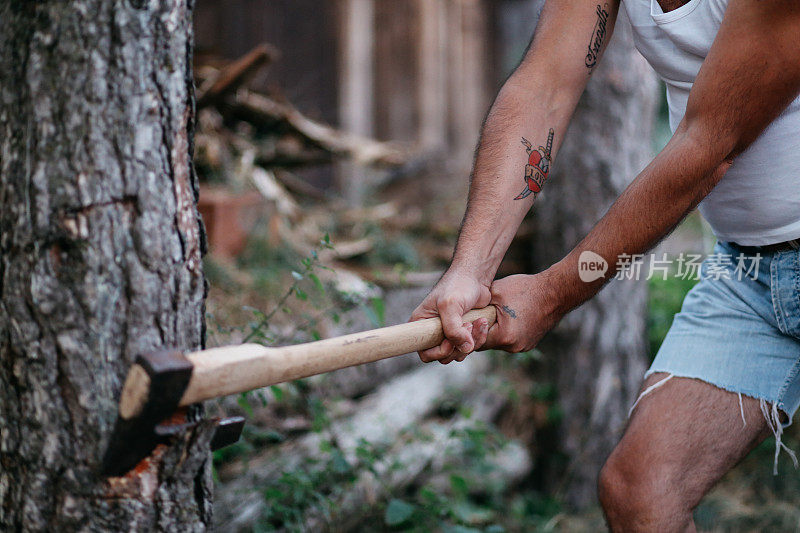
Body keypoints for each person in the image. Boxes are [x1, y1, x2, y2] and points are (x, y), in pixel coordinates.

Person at [410, 0, 800, 530]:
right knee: (641, 496)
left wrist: (550, 294)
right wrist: (468, 272)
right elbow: (543, 86)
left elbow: (709, 147)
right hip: (749, 271)